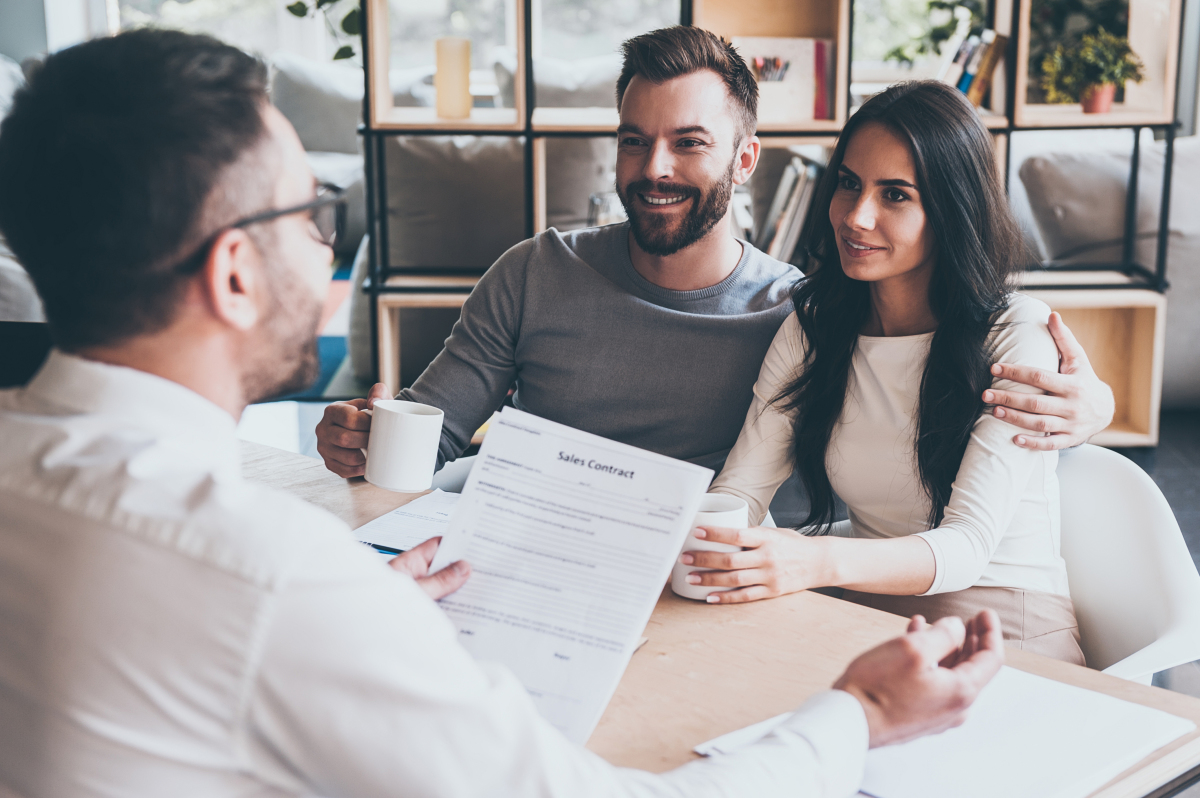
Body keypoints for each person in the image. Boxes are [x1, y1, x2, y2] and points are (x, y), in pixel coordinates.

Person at [0, 29, 1010, 796]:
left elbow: (937, 347)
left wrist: (1065, 382)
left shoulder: (807, 314)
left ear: (746, 159)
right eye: (311, 216)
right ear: (232, 273)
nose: (325, 250)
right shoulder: (274, 575)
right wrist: (863, 711)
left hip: (690, 621)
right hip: (519, 613)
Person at [314, 27, 1115, 512]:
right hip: (538, 562)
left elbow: (944, 380)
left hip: (718, 590)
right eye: (634, 139)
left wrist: (1090, 412)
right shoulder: (534, 273)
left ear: (744, 160)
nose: (652, 167)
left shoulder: (806, 314)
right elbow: (432, 430)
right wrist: (358, 437)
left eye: (687, 143)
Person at [693, 81, 1084, 664]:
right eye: (848, 183)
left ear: (951, 209)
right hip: (865, 609)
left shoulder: (1016, 334)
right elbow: (742, 489)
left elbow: (968, 548)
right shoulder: (814, 328)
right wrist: (698, 537)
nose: (856, 216)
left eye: (895, 195)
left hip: (1000, 620)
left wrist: (809, 558)